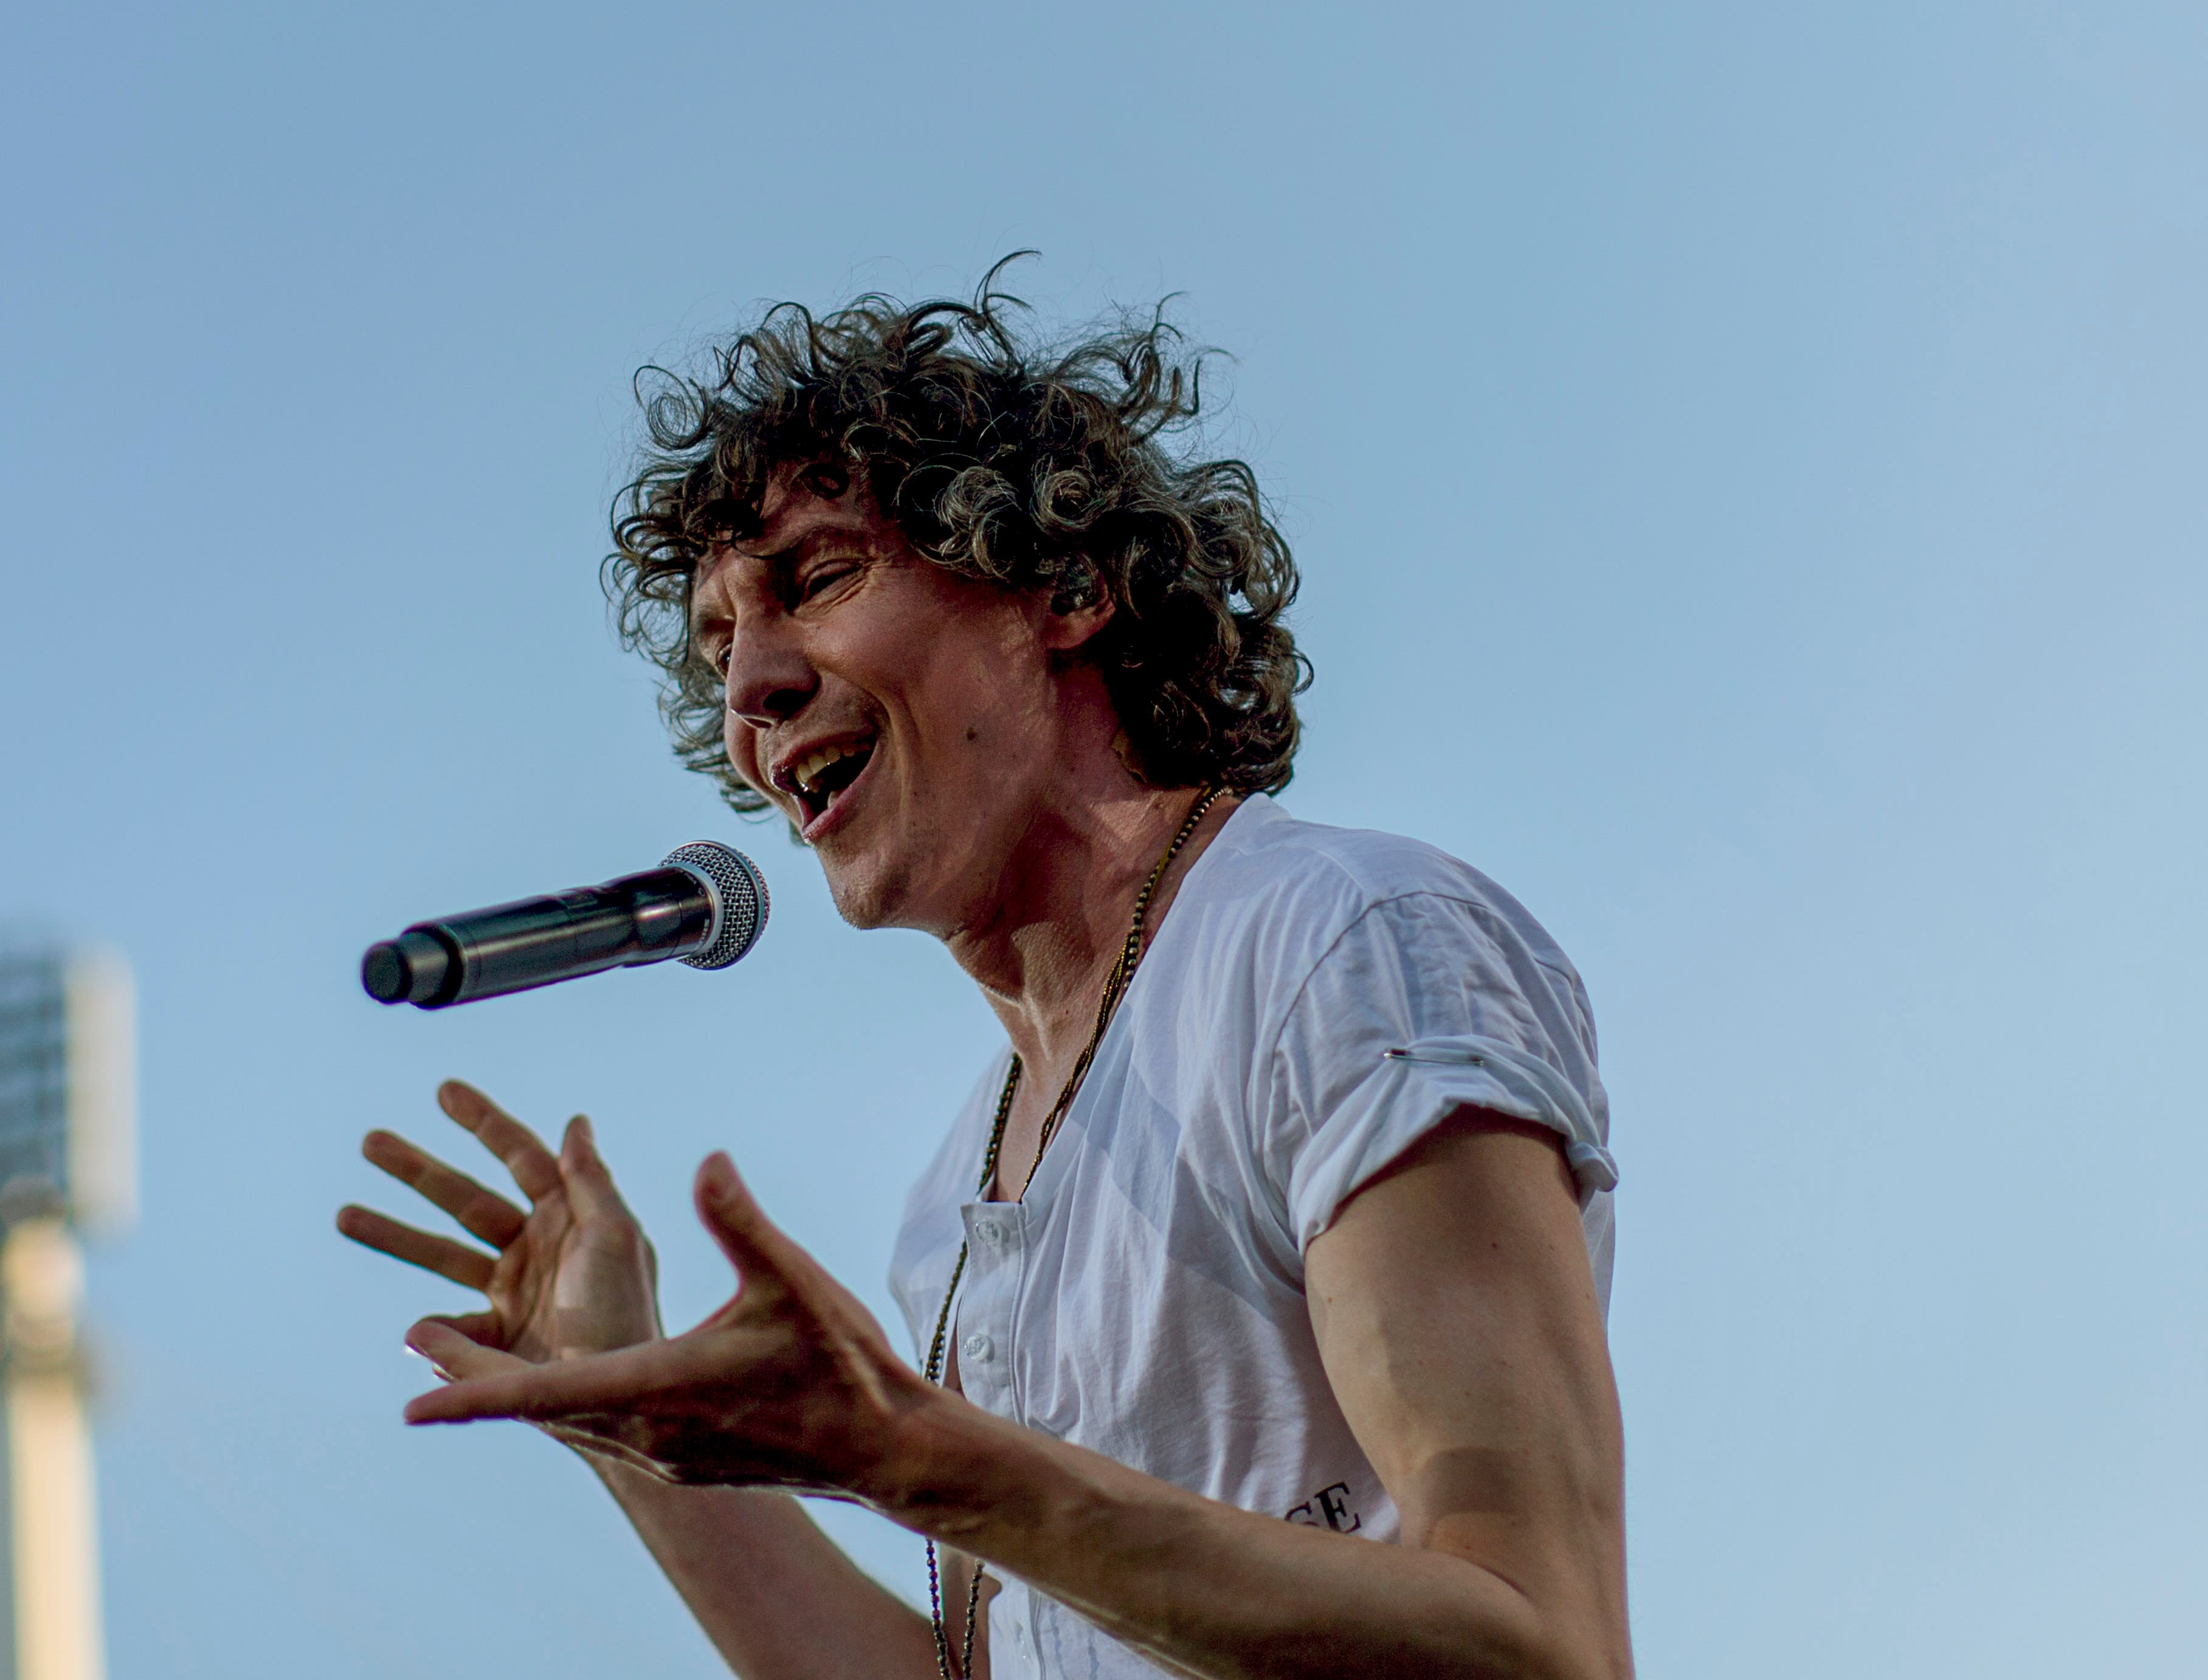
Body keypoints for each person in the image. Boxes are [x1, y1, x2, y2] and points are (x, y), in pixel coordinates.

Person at [336, 270, 1629, 1680]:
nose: (749, 690)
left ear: (1064, 587)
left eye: (816, 579)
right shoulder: (950, 1194)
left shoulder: (1340, 941)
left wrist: (919, 1456)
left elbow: (1538, 1641)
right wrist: (629, 1422)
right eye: (718, 648)